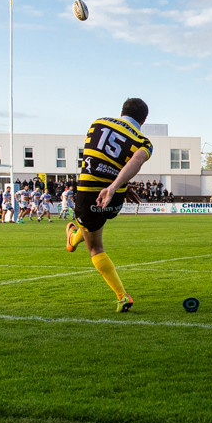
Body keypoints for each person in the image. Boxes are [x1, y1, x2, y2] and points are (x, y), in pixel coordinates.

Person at [65, 98, 152, 312]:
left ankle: (123, 296)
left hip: (89, 194)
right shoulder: (143, 141)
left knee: (95, 247)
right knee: (90, 227)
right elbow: (136, 161)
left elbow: (99, 159)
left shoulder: (98, 123)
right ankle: (73, 238)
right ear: (144, 119)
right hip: (115, 200)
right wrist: (116, 187)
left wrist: (111, 186)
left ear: (121, 112)